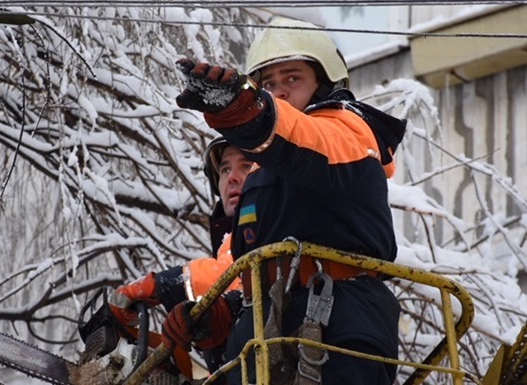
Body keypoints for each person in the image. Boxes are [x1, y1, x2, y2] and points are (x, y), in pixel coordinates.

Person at [162, 16, 406, 385]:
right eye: (268, 84)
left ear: (325, 84)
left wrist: (250, 111)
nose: (279, 92)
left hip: (339, 329)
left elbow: (305, 136)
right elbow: (260, 267)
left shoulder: (348, 132)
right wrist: (223, 315)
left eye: (293, 78)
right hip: (267, 335)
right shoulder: (264, 169)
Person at [108, 136, 251, 372]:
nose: (232, 178)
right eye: (225, 169)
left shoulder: (269, 227)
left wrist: (159, 285)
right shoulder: (231, 241)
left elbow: (224, 274)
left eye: (245, 166)